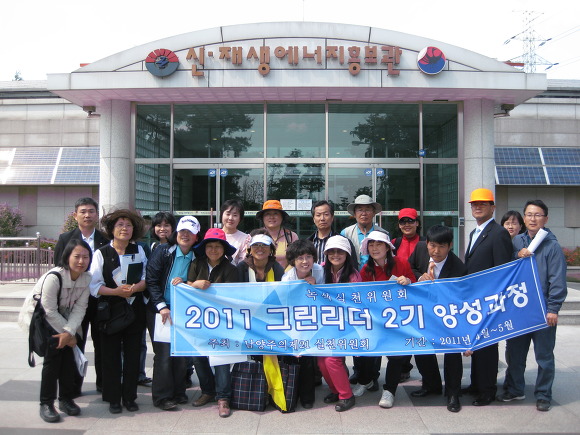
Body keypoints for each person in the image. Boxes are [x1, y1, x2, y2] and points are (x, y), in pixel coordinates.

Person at [497, 200, 567, 412]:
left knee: (544, 356)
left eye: (537, 215)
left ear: (546, 219)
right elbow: (507, 268)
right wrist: (516, 255)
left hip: (542, 310)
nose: (533, 219)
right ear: (524, 218)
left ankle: (544, 394)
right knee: (514, 353)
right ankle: (515, 389)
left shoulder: (552, 246)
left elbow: (557, 280)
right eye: (529, 214)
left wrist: (553, 308)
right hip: (520, 308)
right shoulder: (517, 241)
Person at [89, 209, 148, 414]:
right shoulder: (101, 253)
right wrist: (116, 292)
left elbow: (146, 277)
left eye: (128, 225)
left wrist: (136, 288)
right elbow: (94, 285)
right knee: (110, 356)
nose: (125, 228)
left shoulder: (139, 250)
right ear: (112, 229)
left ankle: (129, 397)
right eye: (120, 225)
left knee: (133, 355)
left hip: (134, 309)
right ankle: (113, 398)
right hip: (110, 311)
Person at [408, 225, 467, 412]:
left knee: (452, 351)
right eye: (432, 245)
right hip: (423, 311)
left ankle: (453, 393)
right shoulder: (419, 249)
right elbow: (409, 268)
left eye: (442, 246)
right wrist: (419, 277)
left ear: (450, 246)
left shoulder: (458, 267)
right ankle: (431, 385)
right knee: (421, 348)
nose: (436, 251)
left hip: (448, 313)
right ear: (426, 243)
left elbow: (461, 298)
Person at [462, 188, 513, 406]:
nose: (478, 207)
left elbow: (502, 270)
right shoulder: (475, 232)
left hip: (490, 299)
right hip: (475, 299)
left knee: (488, 346)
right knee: (477, 343)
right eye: (474, 204)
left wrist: (494, 300)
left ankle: (487, 390)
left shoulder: (498, 233)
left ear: (492, 208)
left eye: (483, 204)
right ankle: (476, 384)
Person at [53, 197, 108, 396]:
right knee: (75, 342)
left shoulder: (105, 239)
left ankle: (104, 384)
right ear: (75, 215)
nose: (87, 215)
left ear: (96, 215)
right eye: (83, 211)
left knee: (103, 344)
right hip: (75, 301)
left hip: (100, 299)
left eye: (91, 211)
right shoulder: (65, 239)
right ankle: (74, 386)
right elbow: (59, 268)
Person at [146, 216, 201, 410]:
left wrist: (188, 283)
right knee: (163, 355)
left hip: (184, 311)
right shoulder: (163, 251)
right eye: (182, 231)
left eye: (190, 232)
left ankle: (178, 392)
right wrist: (162, 306)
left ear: (196, 236)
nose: (185, 235)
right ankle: (162, 397)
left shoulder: (198, 256)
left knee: (181, 354)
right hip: (161, 309)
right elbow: (152, 280)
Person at [36, 239, 92, 423]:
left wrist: (69, 333)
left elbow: (80, 308)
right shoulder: (54, 277)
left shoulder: (86, 278)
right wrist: (69, 334)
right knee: (52, 363)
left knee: (69, 362)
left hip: (68, 322)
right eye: (77, 256)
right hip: (47, 321)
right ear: (67, 257)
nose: (81, 261)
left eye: (85, 257)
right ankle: (46, 403)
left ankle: (66, 399)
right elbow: (49, 310)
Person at [359, 231, 416, 409]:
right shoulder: (366, 269)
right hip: (375, 320)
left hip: (397, 319)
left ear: (387, 247)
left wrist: (408, 281)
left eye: (379, 244)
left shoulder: (401, 263)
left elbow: (415, 285)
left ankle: (390, 390)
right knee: (366, 354)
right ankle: (367, 381)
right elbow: (361, 295)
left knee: (396, 355)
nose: (374, 248)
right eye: (371, 245)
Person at [187, 228, 238, 418]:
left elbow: (232, 296)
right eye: (210, 246)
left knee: (221, 358)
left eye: (218, 246)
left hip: (222, 321)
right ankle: (208, 391)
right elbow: (186, 286)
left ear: (224, 249)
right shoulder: (196, 264)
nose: (214, 250)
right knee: (198, 357)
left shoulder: (231, 269)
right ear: (204, 248)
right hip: (199, 320)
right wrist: (194, 285)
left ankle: (223, 397)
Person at [340, 195, 388, 388]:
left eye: (368, 209)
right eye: (360, 209)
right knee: (356, 329)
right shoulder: (346, 232)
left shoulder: (382, 232)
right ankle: (358, 370)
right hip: (354, 286)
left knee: (375, 331)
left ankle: (373, 374)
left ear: (374, 212)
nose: (364, 213)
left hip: (376, 288)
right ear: (354, 213)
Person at [281, 239, 324, 409]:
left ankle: (307, 397)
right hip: (294, 321)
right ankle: (291, 392)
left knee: (308, 358)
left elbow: (327, 298)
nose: (305, 261)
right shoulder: (288, 278)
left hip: (316, 320)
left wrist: (315, 288)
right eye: (300, 258)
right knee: (294, 354)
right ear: (293, 261)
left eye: (308, 257)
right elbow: (285, 307)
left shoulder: (320, 271)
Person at [318, 236, 359, 412]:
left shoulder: (353, 275)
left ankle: (346, 395)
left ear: (347, 254)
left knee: (332, 359)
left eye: (340, 251)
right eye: (331, 251)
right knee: (321, 360)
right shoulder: (320, 270)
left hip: (346, 326)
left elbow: (355, 303)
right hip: (325, 325)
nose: (335, 255)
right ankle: (335, 390)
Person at [391, 207, 424, 383]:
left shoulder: (426, 243)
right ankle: (403, 368)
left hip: (420, 294)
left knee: (419, 334)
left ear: (417, 223)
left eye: (410, 221)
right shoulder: (394, 243)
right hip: (399, 297)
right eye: (403, 221)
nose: (407, 225)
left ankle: (428, 376)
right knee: (401, 332)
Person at [256, 200, 298, 270]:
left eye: (275, 214)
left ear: (282, 217)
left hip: (286, 275)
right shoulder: (256, 236)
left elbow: (296, 259)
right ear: (262, 218)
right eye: (267, 214)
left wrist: (285, 274)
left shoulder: (291, 236)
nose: (271, 217)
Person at [307, 200, 353, 264]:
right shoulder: (307, 243)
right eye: (318, 215)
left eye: (326, 214)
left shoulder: (344, 242)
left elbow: (351, 266)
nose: (322, 218)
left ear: (332, 217)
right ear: (314, 219)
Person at [221, 199, 251, 265]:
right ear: (222, 214)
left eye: (235, 215)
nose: (230, 218)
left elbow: (243, 264)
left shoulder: (246, 239)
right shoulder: (213, 235)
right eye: (228, 214)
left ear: (240, 218)